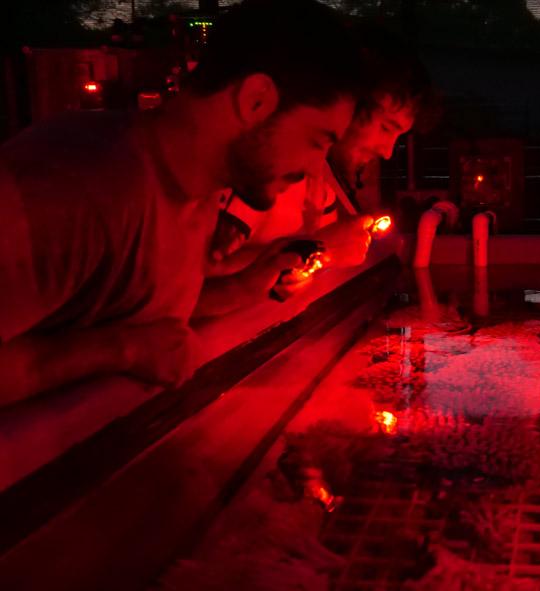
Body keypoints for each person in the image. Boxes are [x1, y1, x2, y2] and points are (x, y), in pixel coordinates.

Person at [0, 0, 365, 404]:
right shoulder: (79, 184)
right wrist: (121, 350)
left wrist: (253, 281)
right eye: (317, 141)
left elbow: (148, 311)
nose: (316, 169)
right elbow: (134, 335)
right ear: (256, 100)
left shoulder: (196, 193)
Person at [196, 26, 437, 317]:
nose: (387, 152)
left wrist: (311, 258)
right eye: (386, 128)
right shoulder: (260, 168)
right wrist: (321, 249)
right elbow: (194, 282)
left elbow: (297, 268)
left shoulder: (319, 186)